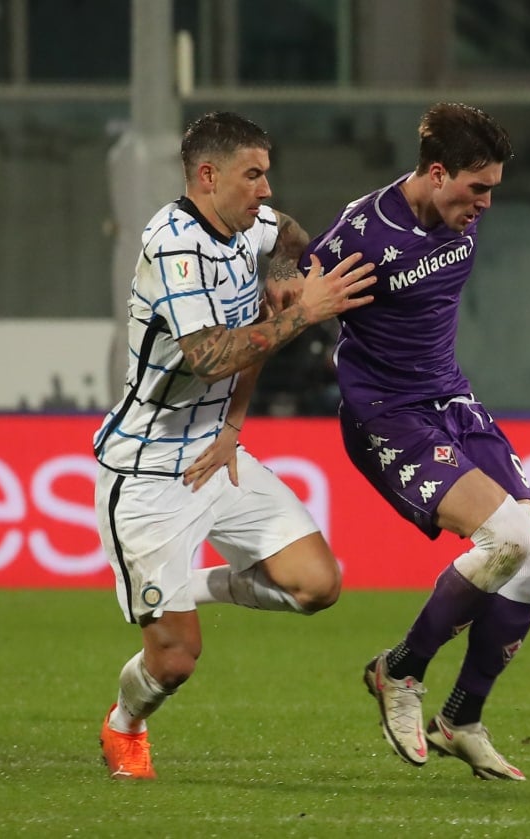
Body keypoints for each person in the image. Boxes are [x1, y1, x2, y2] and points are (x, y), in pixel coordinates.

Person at [92, 111, 378, 780]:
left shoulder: (252, 223)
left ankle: (186, 586)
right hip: (148, 471)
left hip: (218, 456)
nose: (266, 188)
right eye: (254, 174)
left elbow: (290, 233)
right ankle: (123, 724)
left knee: (318, 584)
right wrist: (304, 309)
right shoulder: (172, 241)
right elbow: (210, 355)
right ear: (209, 175)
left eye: (267, 171)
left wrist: (282, 267)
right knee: (175, 659)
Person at [300, 102, 530, 781]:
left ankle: (462, 716)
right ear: (436, 173)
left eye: (494, 187)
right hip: (389, 416)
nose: (487, 203)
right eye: (477, 188)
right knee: (505, 542)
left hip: (453, 401)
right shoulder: (365, 234)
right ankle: (400, 670)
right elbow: (298, 295)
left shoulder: (452, 216)